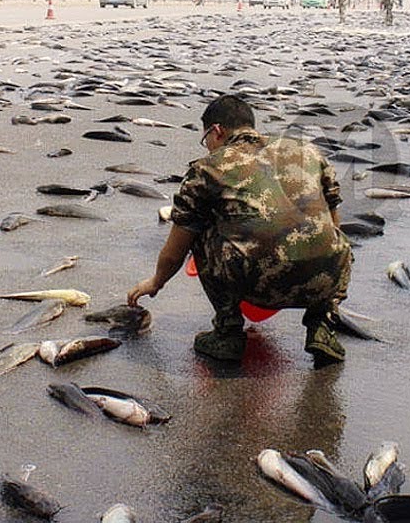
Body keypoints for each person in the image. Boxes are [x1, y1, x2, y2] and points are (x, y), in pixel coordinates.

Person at [126, 94, 352, 366]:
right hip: (325, 279)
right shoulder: (308, 152)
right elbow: (333, 219)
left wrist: (156, 281)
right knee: (329, 238)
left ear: (217, 130)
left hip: (257, 283)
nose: (208, 146)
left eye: (206, 138)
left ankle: (227, 332)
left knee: (199, 227)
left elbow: (177, 248)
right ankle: (322, 327)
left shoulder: (207, 168)